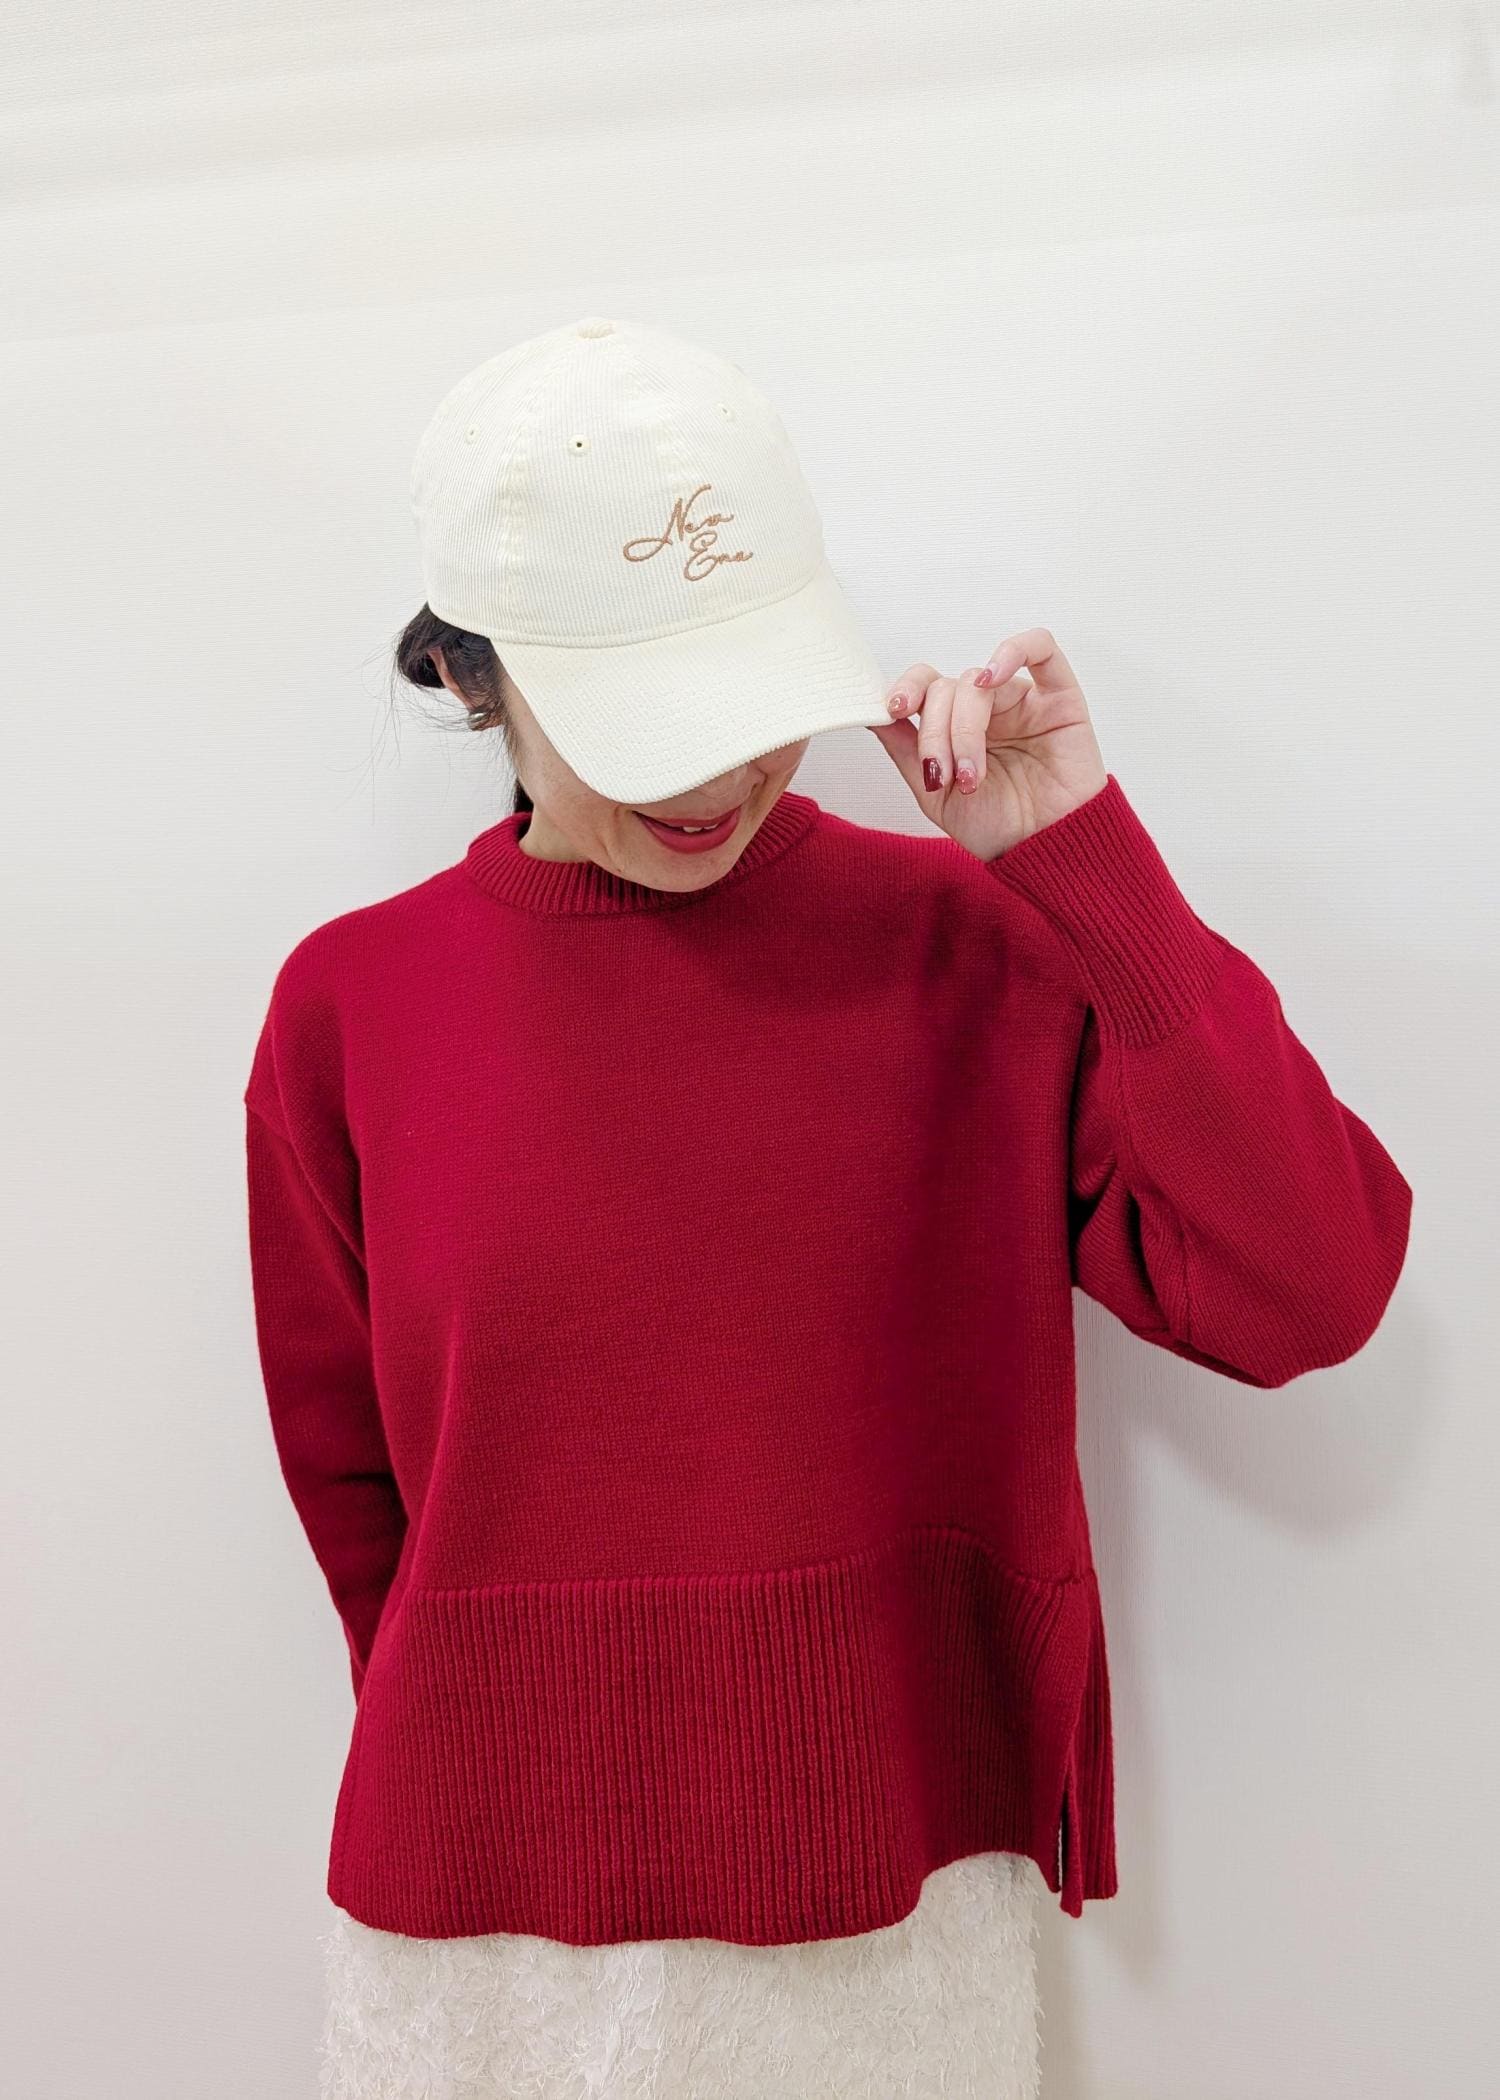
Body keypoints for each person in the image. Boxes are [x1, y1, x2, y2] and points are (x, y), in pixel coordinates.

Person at [241, 317, 1413, 2099]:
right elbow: (359, 1505)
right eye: (642, 725)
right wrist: (520, 1768)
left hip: (888, 1902)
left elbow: (1310, 1286)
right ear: (475, 677)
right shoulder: (352, 1007)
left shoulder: (965, 949)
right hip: (476, 1946)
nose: (712, 779)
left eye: (744, 701)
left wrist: (1081, 861)